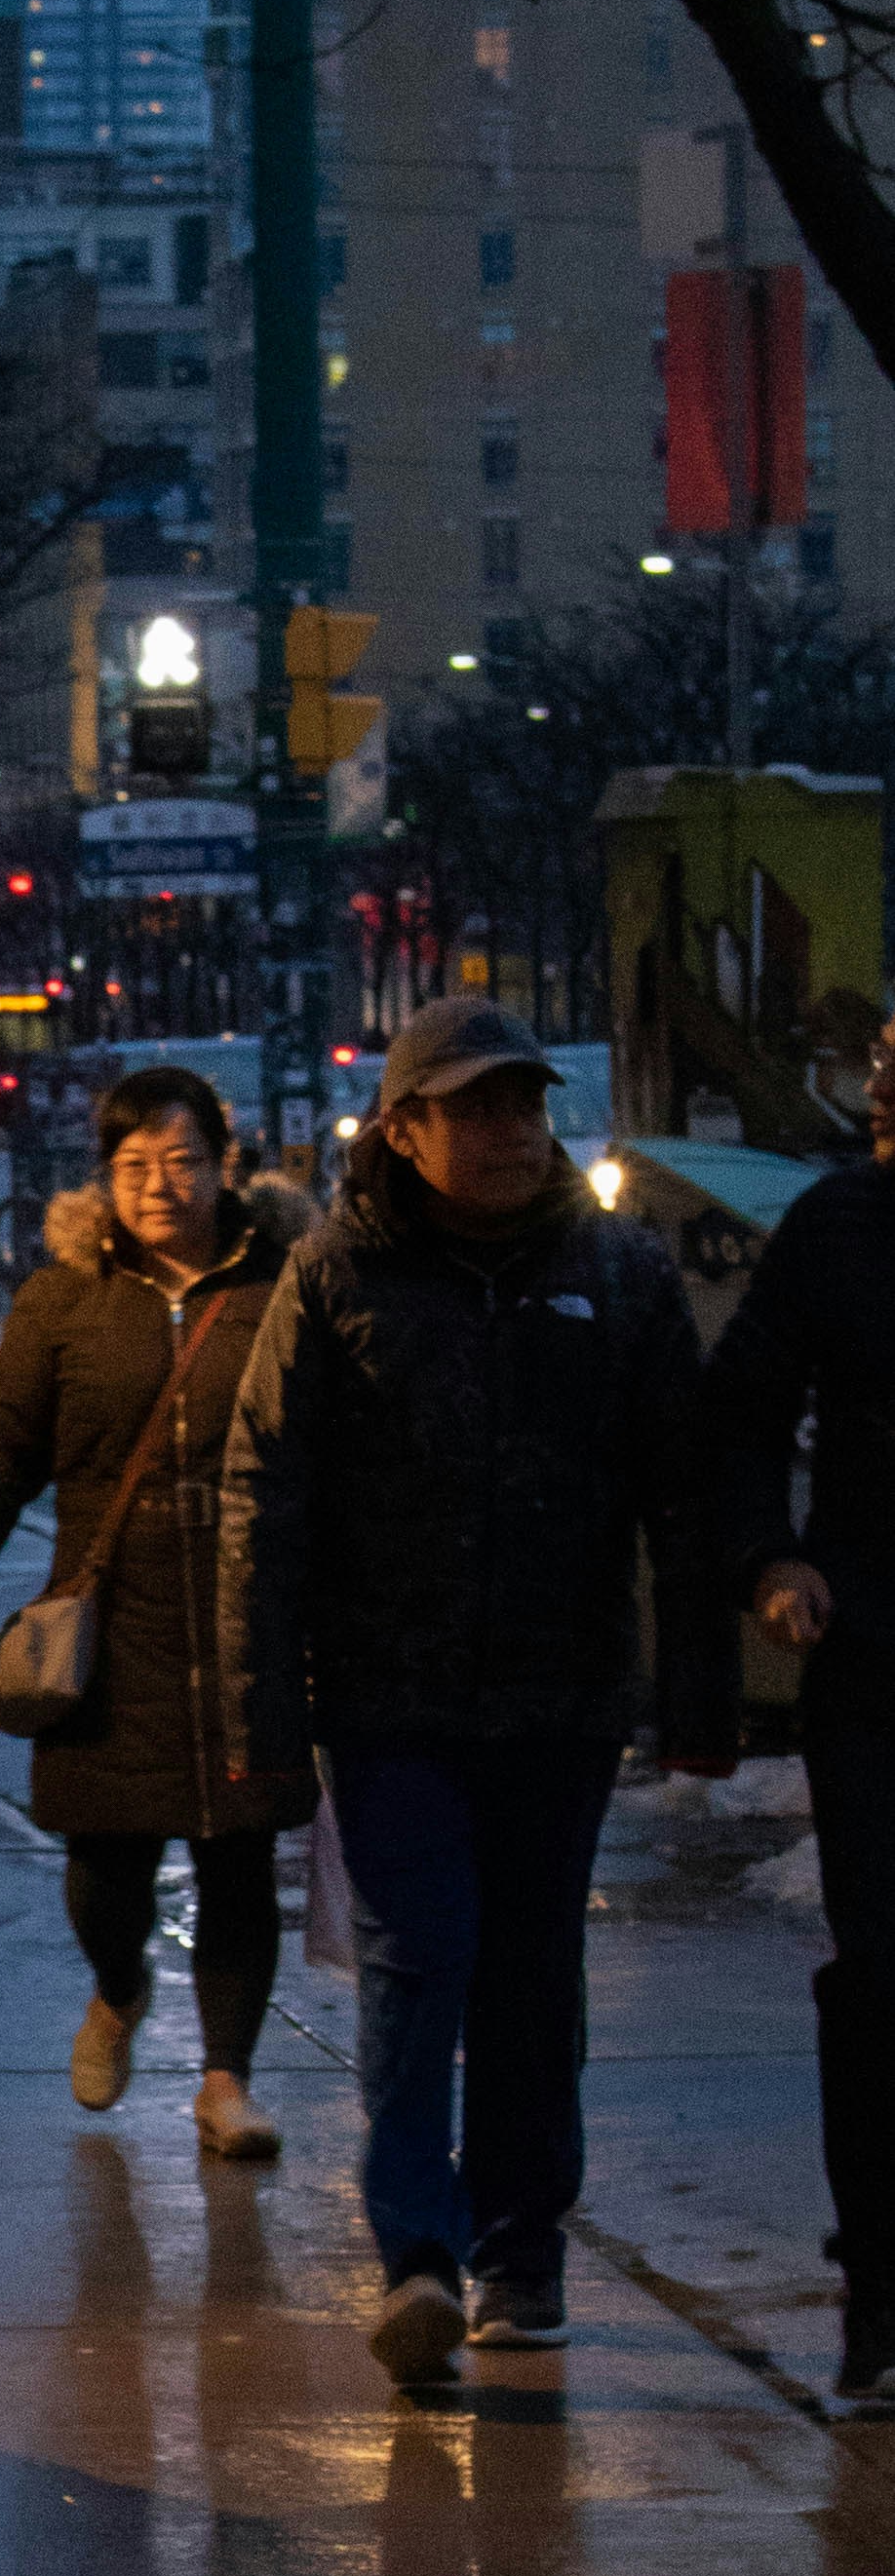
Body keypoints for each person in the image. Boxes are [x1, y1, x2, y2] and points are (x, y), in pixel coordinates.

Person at [221, 995, 735, 2384]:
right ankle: (417, 2254)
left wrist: (695, 1703)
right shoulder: (334, 1277)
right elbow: (263, 1498)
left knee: (527, 1974)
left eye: (524, 1102)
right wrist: (259, 1720)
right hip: (387, 1702)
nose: (510, 1130)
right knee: (414, 1957)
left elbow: (680, 1498)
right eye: (476, 1106)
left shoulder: (616, 1273)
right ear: (404, 1126)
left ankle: (520, 2243)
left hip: (559, 1701)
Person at [0, 1063, 314, 2159]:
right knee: (106, 1863)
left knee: (238, 1854)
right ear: (106, 1176)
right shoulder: (64, 1297)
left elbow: (342, 1448)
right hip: (110, 1616)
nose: (159, 1185)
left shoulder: (288, 1285)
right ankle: (117, 1986)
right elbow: (1, 1442)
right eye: (135, 1165)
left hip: (244, 1613)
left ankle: (226, 2080)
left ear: (224, 1163)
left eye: (182, 1160)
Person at [701, 1008, 895, 2410]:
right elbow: (740, 1409)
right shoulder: (839, 1229)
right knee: (882, 1969)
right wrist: (770, 1555)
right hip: (877, 1647)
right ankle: (883, 2286)